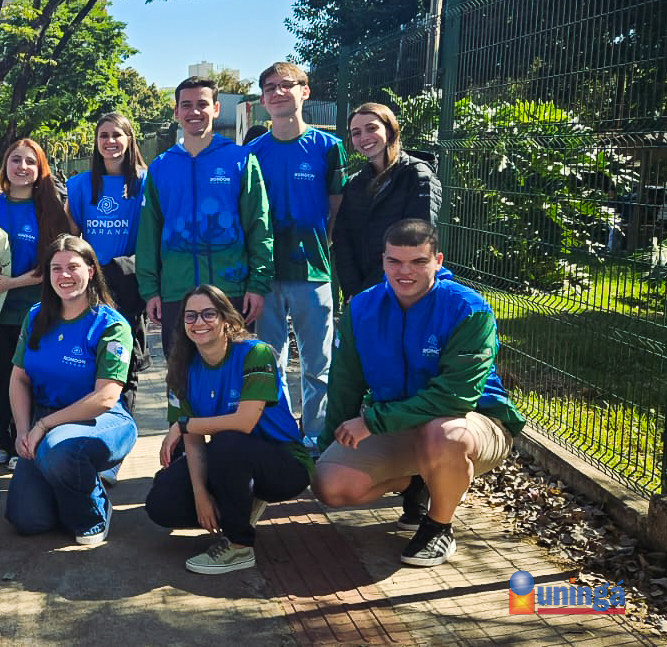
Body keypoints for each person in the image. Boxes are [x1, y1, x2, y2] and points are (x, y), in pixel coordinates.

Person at [313, 219, 525, 567]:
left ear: (437, 261)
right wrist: (328, 444)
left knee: (443, 435)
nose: (404, 271)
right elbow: (344, 382)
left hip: (470, 422)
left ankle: (438, 526)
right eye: (394, 261)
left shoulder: (468, 309)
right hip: (397, 424)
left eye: (418, 261)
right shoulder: (361, 308)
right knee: (330, 484)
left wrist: (372, 422)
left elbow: (454, 398)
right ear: (383, 260)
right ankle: (418, 482)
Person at [145, 285, 313, 575]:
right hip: (232, 460)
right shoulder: (182, 368)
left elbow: (244, 422)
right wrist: (201, 495)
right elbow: (193, 440)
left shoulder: (255, 353)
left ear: (227, 319)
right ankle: (241, 502)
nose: (199, 322)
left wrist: (183, 425)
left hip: (285, 463)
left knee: (228, 442)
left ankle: (239, 546)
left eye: (209, 314)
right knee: (162, 501)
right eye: (190, 316)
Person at [4, 235, 137, 545]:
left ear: (91, 270)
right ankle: (68, 485)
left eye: (73, 267)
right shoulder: (36, 316)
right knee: (28, 519)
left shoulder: (111, 325)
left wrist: (43, 425)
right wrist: (22, 430)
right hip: (45, 419)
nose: (64, 275)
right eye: (56, 268)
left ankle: (94, 515)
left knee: (59, 450)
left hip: (100, 419)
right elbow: (19, 378)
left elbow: (106, 396)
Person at [248, 63, 347, 450]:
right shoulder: (252, 153)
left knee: (317, 365)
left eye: (285, 85)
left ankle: (316, 437)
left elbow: (337, 210)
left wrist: (323, 245)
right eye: (269, 87)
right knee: (269, 362)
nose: (277, 92)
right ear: (262, 100)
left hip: (313, 272)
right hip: (265, 276)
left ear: (304, 91)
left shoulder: (328, 147)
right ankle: (280, 437)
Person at [137, 76, 273, 356]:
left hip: (230, 289)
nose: (194, 111)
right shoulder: (160, 167)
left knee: (234, 371)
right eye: (186, 105)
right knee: (180, 373)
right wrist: (150, 290)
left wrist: (258, 285)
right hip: (177, 291)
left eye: (202, 104)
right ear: (176, 112)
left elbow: (259, 226)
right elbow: (149, 233)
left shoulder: (240, 159)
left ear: (216, 108)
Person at [0, 138, 72, 466]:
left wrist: (11, 283)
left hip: (35, 311)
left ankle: (30, 442)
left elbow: (54, 265)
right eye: (15, 160)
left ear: (40, 168)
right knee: (1, 376)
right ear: (5, 165)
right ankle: (3, 442)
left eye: (30, 161)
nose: (22, 167)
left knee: (32, 378)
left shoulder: (50, 210)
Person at [66, 112, 150, 408]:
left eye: (117, 135)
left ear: (130, 139)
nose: (110, 141)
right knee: (89, 354)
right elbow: (71, 238)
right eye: (104, 135)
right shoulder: (80, 185)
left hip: (128, 281)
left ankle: (123, 417)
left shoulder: (145, 181)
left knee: (125, 358)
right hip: (91, 284)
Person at [333, 102, 441, 300]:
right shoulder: (355, 183)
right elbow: (342, 239)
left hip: (403, 289)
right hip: (361, 294)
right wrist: (354, 291)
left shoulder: (417, 175)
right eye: (356, 133)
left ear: (390, 130)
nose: (364, 137)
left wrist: (373, 290)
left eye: (371, 128)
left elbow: (417, 240)